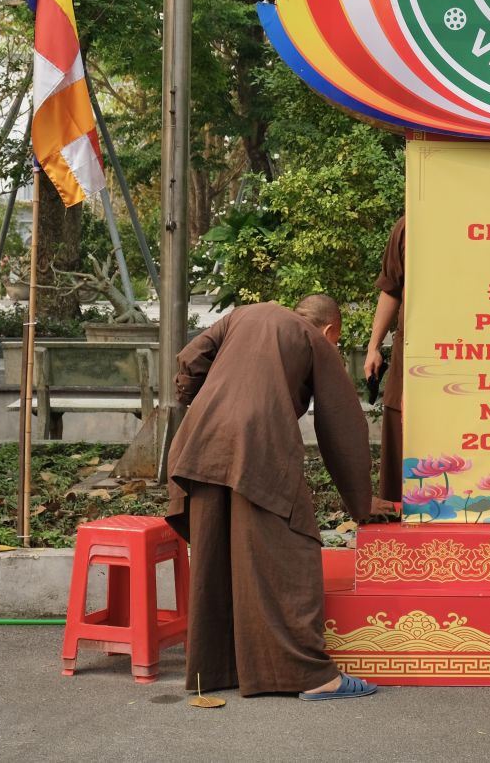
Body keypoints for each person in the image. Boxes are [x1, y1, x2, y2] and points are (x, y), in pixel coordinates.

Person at [165, 295, 382, 700]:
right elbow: (342, 426)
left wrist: (204, 398)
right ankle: (313, 678)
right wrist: (361, 503)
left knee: (218, 553)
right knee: (291, 555)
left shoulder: (242, 315)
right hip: (259, 445)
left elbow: (189, 359)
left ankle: (219, 669)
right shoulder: (314, 339)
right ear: (330, 331)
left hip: (201, 442)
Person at [365, 216, 406, 504]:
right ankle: (401, 508)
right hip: (415, 348)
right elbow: (392, 288)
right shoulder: (410, 225)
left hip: (476, 346)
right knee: (400, 413)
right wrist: (374, 346)